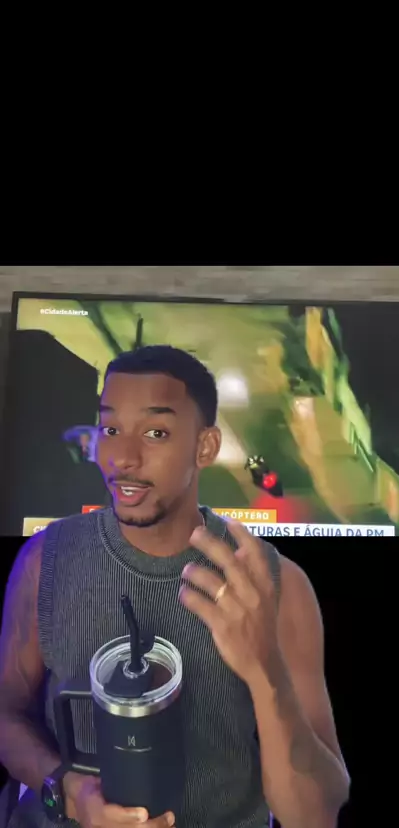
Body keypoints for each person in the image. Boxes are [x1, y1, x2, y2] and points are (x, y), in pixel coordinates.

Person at [0, 346, 350, 828]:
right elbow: (6, 715)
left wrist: (265, 668)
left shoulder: (277, 586)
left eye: (156, 433)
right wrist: (68, 791)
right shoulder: (45, 559)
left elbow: (314, 814)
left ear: (205, 447)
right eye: (110, 429)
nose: (123, 458)